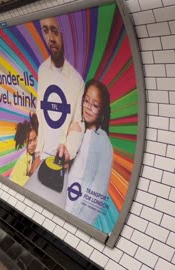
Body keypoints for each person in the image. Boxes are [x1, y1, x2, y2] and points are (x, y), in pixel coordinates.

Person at [32, 17, 85, 171]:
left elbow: (78, 123)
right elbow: (40, 113)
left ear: (63, 33)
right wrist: (36, 155)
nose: (50, 38)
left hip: (60, 162)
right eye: (46, 31)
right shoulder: (42, 70)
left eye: (54, 31)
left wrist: (68, 150)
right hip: (40, 157)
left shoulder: (77, 81)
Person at [65, 79, 113, 225]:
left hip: (77, 216)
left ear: (102, 111)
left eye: (95, 105)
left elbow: (98, 191)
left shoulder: (104, 143)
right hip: (60, 202)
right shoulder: (76, 128)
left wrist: (78, 220)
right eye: (86, 101)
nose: (88, 107)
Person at [9, 113, 38, 186]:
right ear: (24, 142)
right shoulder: (23, 158)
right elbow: (18, 181)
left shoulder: (33, 153)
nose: (33, 144)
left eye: (35, 139)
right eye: (29, 142)